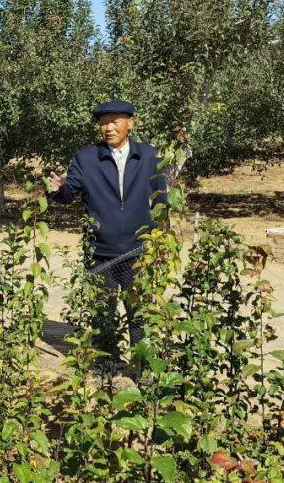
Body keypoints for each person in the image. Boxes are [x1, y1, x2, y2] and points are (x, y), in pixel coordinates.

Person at [44, 99, 167, 368]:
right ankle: (107, 370)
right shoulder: (86, 158)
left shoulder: (149, 156)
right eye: (103, 122)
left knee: (139, 314)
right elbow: (68, 194)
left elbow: (161, 202)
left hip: (139, 251)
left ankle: (141, 368)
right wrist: (57, 189)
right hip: (101, 253)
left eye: (114, 121)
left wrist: (160, 242)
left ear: (130, 123)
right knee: (103, 315)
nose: (108, 127)